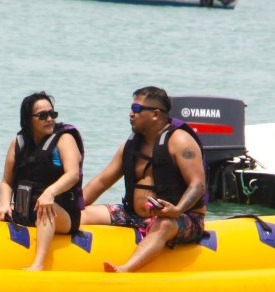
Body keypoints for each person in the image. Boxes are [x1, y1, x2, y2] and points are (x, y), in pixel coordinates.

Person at [80, 86, 207, 273]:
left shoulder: (180, 141)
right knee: (84, 214)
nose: (131, 114)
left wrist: (177, 210)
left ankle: (125, 270)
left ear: (155, 114)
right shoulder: (131, 146)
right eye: (131, 109)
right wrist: (73, 207)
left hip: (181, 217)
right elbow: (100, 182)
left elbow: (198, 185)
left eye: (137, 109)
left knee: (163, 225)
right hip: (133, 214)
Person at [0, 92, 84, 271]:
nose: (50, 119)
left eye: (53, 114)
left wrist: (49, 193)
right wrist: (5, 205)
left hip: (61, 214)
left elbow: (73, 174)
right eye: (43, 115)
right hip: (24, 209)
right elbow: (6, 181)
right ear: (29, 120)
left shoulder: (64, 139)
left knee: (44, 208)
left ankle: (38, 264)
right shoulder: (18, 142)